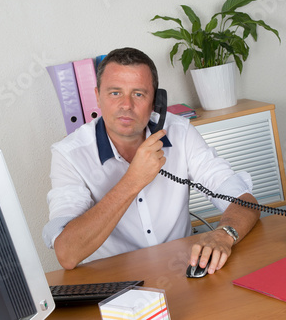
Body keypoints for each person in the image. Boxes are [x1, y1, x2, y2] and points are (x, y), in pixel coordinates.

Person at [43, 47, 260, 273]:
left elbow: (244, 200)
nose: (126, 105)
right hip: (116, 286)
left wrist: (224, 234)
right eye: (115, 93)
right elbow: (67, 253)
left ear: (156, 101)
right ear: (97, 96)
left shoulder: (180, 132)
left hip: (182, 271)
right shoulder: (68, 154)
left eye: (138, 94)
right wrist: (133, 180)